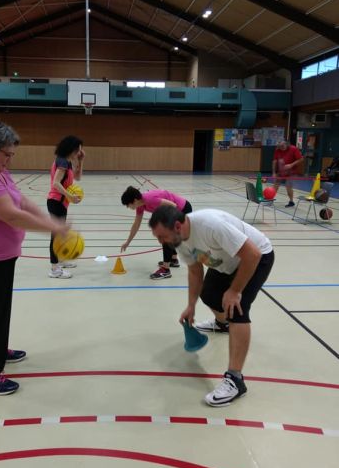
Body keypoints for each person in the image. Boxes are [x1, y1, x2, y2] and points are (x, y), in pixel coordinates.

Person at [0, 121, 68, 396]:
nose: (10, 159)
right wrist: (54, 229)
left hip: (0, 257)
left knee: (0, 308)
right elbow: (11, 215)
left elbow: (21, 202)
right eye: (6, 154)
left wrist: (49, 218)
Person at [149, 205, 274, 407]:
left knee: (237, 309)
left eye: (162, 236)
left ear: (177, 226)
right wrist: (191, 306)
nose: (160, 242)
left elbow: (252, 254)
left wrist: (234, 291)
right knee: (209, 294)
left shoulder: (211, 225)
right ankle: (222, 324)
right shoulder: (179, 241)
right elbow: (195, 270)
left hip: (256, 257)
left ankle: (235, 380)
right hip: (226, 262)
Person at [120, 186, 192, 279]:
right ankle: (173, 259)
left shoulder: (149, 199)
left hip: (182, 209)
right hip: (175, 210)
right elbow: (136, 224)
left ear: (134, 200)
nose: (128, 207)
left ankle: (165, 270)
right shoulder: (140, 205)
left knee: (165, 235)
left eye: (128, 205)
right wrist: (127, 242)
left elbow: (173, 205)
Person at [47, 135, 85, 278]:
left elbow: (78, 178)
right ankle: (54, 269)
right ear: (71, 149)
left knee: (60, 233)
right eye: (78, 151)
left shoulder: (67, 162)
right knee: (56, 235)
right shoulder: (62, 161)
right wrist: (69, 196)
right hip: (56, 202)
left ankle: (60, 259)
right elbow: (56, 183)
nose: (79, 153)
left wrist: (80, 161)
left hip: (61, 203)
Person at [272, 140, 304, 207]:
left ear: (286, 144)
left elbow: (301, 159)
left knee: (288, 186)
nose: (282, 148)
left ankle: (291, 201)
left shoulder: (293, 149)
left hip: (291, 172)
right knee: (275, 185)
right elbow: (274, 161)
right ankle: (270, 199)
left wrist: (291, 165)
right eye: (280, 147)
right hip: (281, 172)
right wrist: (274, 172)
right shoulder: (277, 150)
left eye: (283, 146)